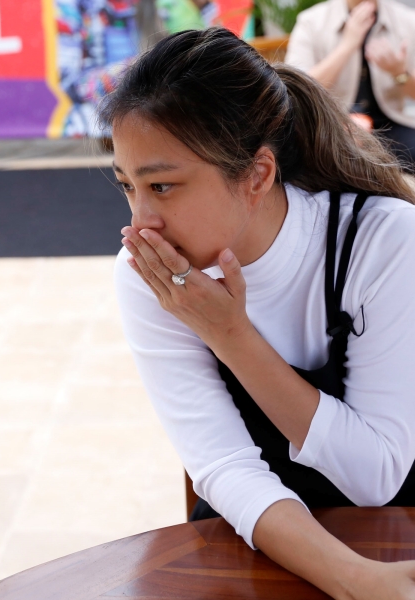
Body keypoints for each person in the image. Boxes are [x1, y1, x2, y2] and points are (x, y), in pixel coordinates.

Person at [108, 29, 415, 597]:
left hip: (395, 525)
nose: (140, 223)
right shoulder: (143, 276)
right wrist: (351, 580)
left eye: (163, 185)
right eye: (128, 186)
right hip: (255, 536)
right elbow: (224, 468)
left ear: (258, 175)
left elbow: (375, 477)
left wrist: (231, 335)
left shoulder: (380, 242)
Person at [286, 0, 415, 169]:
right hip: (333, 126)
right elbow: (296, 90)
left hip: (392, 127)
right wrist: (348, 45)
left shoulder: (407, 20)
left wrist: (399, 73)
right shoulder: (311, 21)